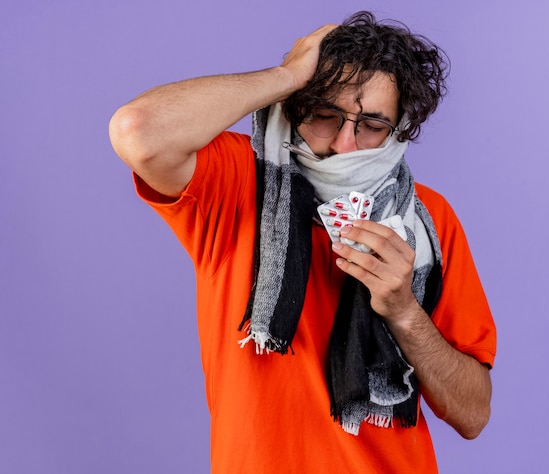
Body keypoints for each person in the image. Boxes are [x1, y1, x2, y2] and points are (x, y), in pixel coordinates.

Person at [109, 11, 496, 473]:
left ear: (399, 130)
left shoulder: (428, 220)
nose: (345, 144)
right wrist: (287, 75)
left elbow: (472, 414)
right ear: (296, 106)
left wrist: (405, 312)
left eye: (372, 125)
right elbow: (138, 130)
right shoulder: (238, 182)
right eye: (326, 115)